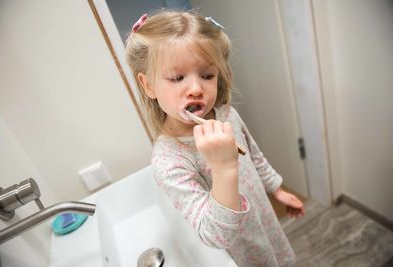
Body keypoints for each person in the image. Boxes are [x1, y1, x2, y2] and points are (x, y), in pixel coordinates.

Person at [125, 10, 304, 267]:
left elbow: (253, 155)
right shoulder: (168, 160)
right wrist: (223, 167)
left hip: (265, 224)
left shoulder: (227, 114)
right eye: (177, 78)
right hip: (238, 253)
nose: (197, 88)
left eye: (207, 75)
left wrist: (276, 188)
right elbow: (214, 235)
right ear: (148, 85)